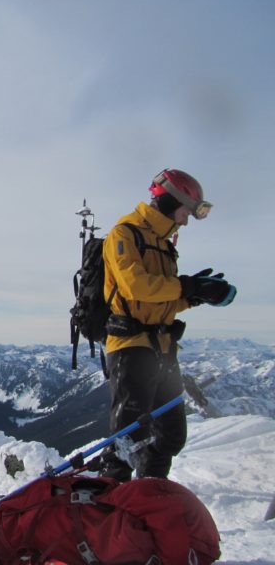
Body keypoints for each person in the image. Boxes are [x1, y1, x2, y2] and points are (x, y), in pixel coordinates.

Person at [99, 168, 236, 482]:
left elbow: (163, 299)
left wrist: (199, 295)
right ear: (171, 201)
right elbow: (137, 286)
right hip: (130, 347)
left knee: (172, 435)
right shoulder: (125, 233)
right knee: (127, 441)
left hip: (163, 348)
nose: (186, 221)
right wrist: (186, 287)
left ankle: (148, 495)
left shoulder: (164, 245)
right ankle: (107, 507)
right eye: (186, 212)